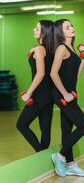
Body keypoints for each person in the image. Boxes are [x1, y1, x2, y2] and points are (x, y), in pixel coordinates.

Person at [50, 19, 84, 176]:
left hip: (71, 93)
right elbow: (53, 73)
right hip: (62, 94)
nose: (72, 28)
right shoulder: (61, 48)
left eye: (72, 25)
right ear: (61, 32)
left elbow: (76, 76)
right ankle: (59, 156)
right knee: (83, 126)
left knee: (67, 130)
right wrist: (65, 94)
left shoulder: (71, 49)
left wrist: (83, 58)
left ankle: (70, 164)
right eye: (67, 27)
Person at [16, 20, 54, 152]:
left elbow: (40, 74)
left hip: (39, 94)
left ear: (44, 32)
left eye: (37, 28)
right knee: (45, 129)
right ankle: (44, 155)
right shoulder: (51, 49)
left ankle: (40, 153)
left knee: (21, 125)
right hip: (49, 94)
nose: (34, 30)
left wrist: (29, 93)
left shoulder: (39, 49)